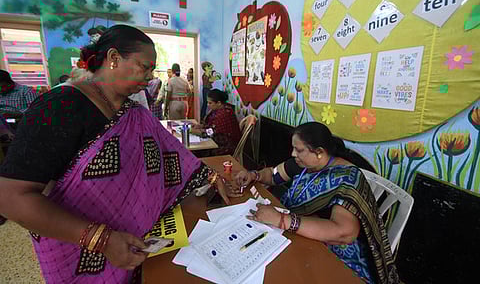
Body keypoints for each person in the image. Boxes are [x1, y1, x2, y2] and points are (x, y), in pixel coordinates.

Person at [0, 24, 231, 283]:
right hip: (76, 249)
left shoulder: (133, 112)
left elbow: (171, 152)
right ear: (113, 58)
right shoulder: (61, 106)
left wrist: (210, 176)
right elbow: (10, 197)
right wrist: (101, 239)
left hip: (133, 242)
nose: (149, 76)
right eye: (144, 67)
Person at [232, 122, 400, 284]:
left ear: (319, 152)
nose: (292, 154)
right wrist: (254, 175)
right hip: (297, 232)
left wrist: (282, 220)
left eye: (298, 150)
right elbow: (273, 174)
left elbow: (344, 233)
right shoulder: (305, 164)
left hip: (334, 250)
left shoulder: (347, 178)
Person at [191, 89, 241, 156]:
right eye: (207, 102)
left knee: (196, 151)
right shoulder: (218, 110)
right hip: (219, 140)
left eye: (210, 103)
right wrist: (201, 126)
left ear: (219, 103)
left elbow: (211, 132)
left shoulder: (224, 114)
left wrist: (197, 132)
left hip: (226, 146)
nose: (208, 105)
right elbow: (211, 125)